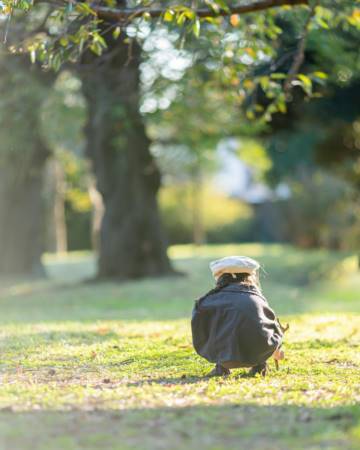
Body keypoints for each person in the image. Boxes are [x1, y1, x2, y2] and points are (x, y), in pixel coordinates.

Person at [191, 256, 285, 376]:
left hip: (223, 358)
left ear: (220, 277)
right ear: (249, 276)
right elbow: (270, 326)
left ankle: (222, 368)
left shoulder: (207, 301)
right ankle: (260, 366)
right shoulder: (256, 299)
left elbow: (199, 329)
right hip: (257, 355)